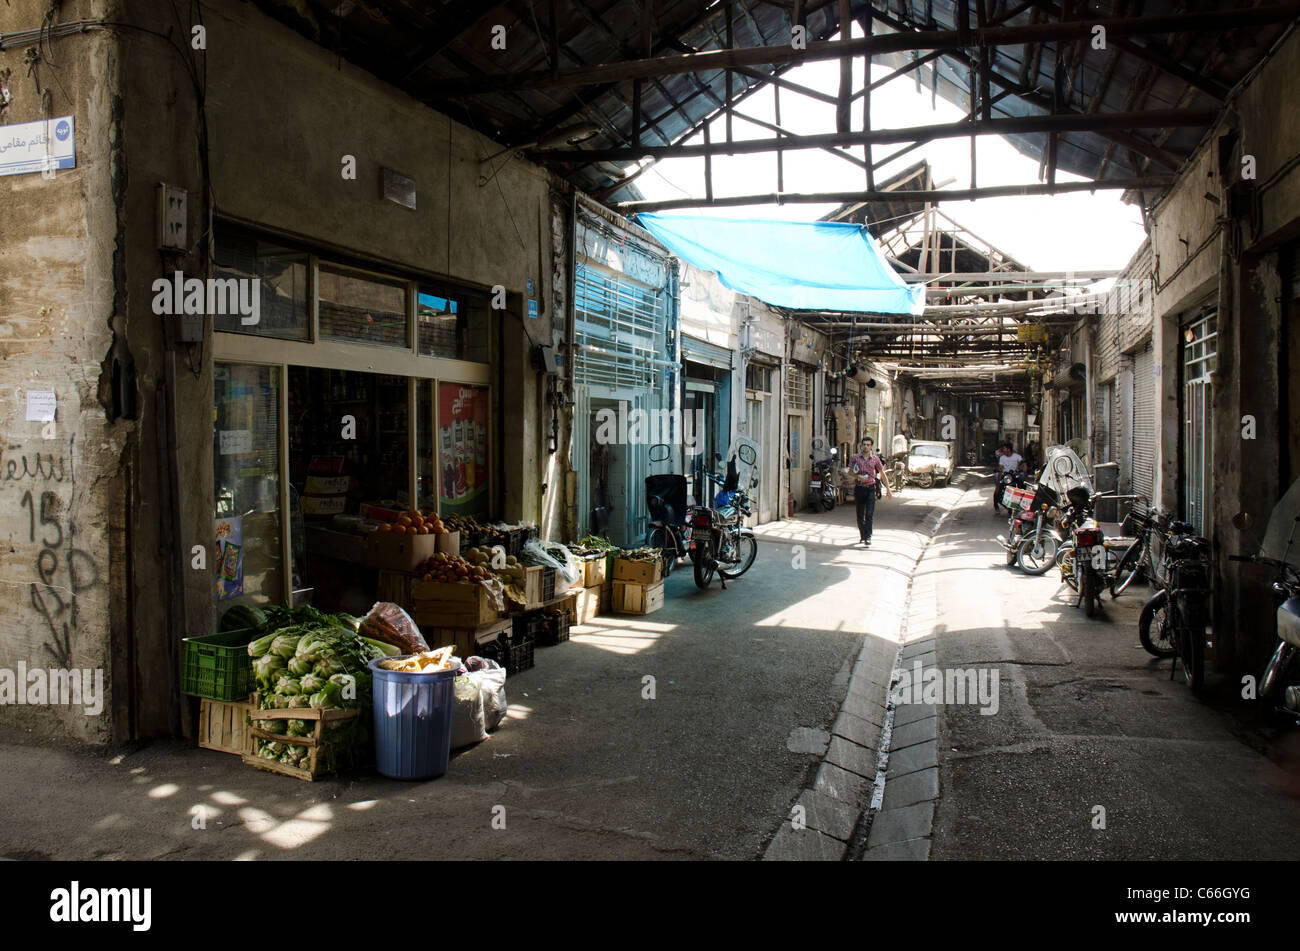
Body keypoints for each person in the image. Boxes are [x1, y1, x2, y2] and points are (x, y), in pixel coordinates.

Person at [848, 437, 892, 546]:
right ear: (861, 446)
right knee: (860, 515)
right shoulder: (855, 458)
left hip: (871, 489)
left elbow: (882, 474)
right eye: (864, 444)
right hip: (859, 488)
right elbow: (849, 472)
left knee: (869, 514)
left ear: (871, 446)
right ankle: (863, 535)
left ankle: (868, 537)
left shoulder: (875, 459)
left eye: (868, 445)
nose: (866, 446)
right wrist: (858, 476)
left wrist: (888, 489)